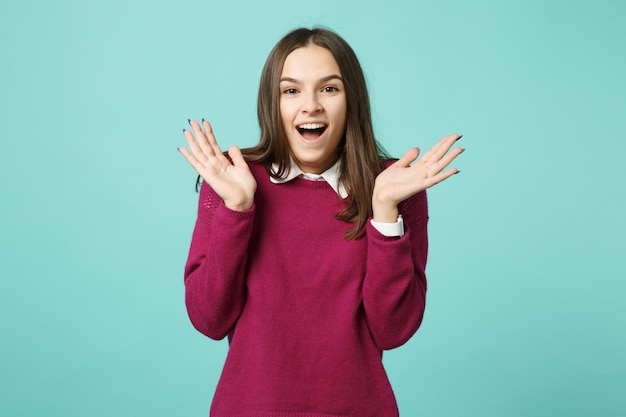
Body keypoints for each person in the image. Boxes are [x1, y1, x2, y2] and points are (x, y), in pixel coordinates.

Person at [178, 27, 463, 417]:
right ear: (272, 103)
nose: (310, 105)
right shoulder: (232, 180)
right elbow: (208, 318)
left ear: (352, 101)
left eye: (329, 89)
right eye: (291, 90)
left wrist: (383, 211)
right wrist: (238, 209)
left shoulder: (394, 187)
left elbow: (393, 331)